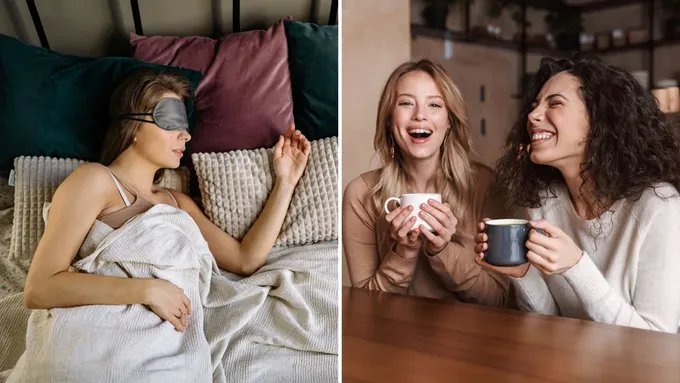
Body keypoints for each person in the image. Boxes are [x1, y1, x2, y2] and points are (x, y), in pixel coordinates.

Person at [22, 68, 311, 332]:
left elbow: (245, 260)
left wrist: (285, 182)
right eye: (170, 121)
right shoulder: (95, 180)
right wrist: (146, 290)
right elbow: (39, 288)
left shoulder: (177, 203)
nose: (185, 135)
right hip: (99, 330)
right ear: (132, 126)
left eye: (184, 125)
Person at [474, 55, 680, 333]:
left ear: (600, 120)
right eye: (534, 106)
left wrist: (576, 267)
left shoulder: (659, 207)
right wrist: (523, 273)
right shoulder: (544, 202)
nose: (533, 116)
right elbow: (551, 317)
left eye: (555, 103)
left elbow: (656, 338)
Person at [343, 59, 510, 306]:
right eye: (406, 103)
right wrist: (403, 253)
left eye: (434, 104)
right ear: (389, 120)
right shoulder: (361, 194)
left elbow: (499, 300)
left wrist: (443, 251)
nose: (420, 115)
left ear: (450, 121)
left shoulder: (485, 186)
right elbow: (365, 305)